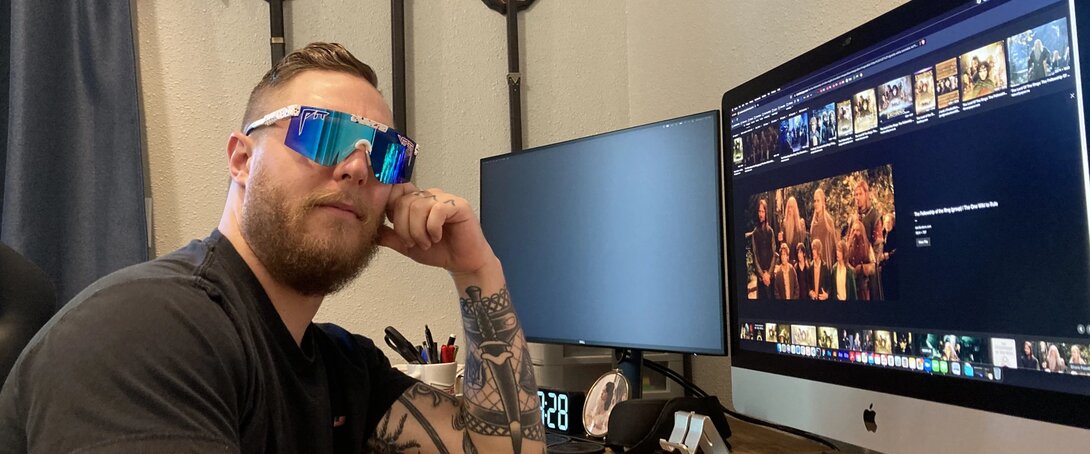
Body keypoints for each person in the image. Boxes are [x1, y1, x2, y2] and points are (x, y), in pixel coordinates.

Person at [0, 43, 544, 453]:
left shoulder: (343, 369)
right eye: (320, 133)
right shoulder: (147, 332)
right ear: (242, 160)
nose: (357, 167)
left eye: (385, 154)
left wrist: (476, 269)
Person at [751, 199, 776, 299]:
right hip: (761, 279)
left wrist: (769, 274)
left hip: (770, 278)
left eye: (763, 211)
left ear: (766, 213)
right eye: (759, 211)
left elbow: (774, 254)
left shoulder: (771, 232)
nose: (761, 214)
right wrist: (763, 275)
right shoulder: (755, 233)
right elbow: (755, 256)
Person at [780, 196, 807, 261]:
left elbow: (802, 245)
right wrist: (780, 240)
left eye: (791, 207)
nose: (789, 210)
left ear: (795, 209)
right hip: (787, 261)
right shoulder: (784, 224)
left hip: (797, 260)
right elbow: (782, 244)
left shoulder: (800, 225)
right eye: (788, 207)